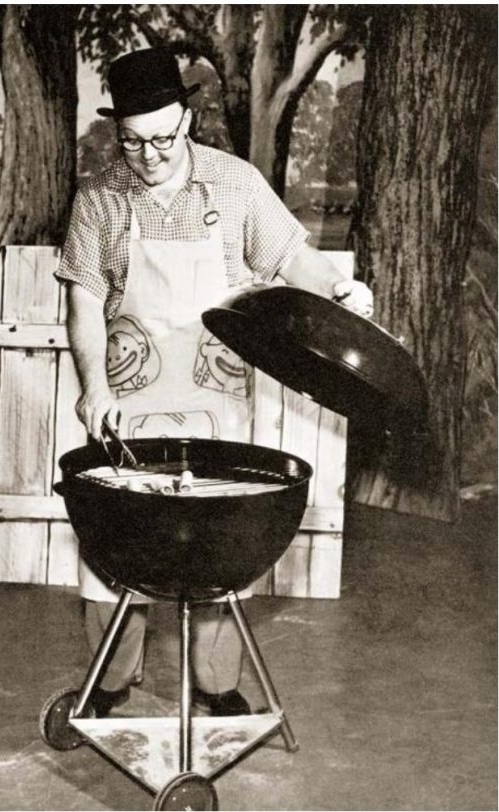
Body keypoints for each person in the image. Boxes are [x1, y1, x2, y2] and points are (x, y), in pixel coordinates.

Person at [56, 47, 373, 718]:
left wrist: (339, 288)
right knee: (118, 549)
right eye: (135, 141)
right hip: (129, 401)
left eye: (164, 138)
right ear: (119, 132)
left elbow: (292, 258)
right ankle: (110, 684)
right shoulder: (100, 198)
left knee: (224, 544)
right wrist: (93, 388)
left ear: (187, 121)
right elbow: (83, 303)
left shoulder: (235, 185)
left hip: (215, 398)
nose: (150, 154)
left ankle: (220, 685)